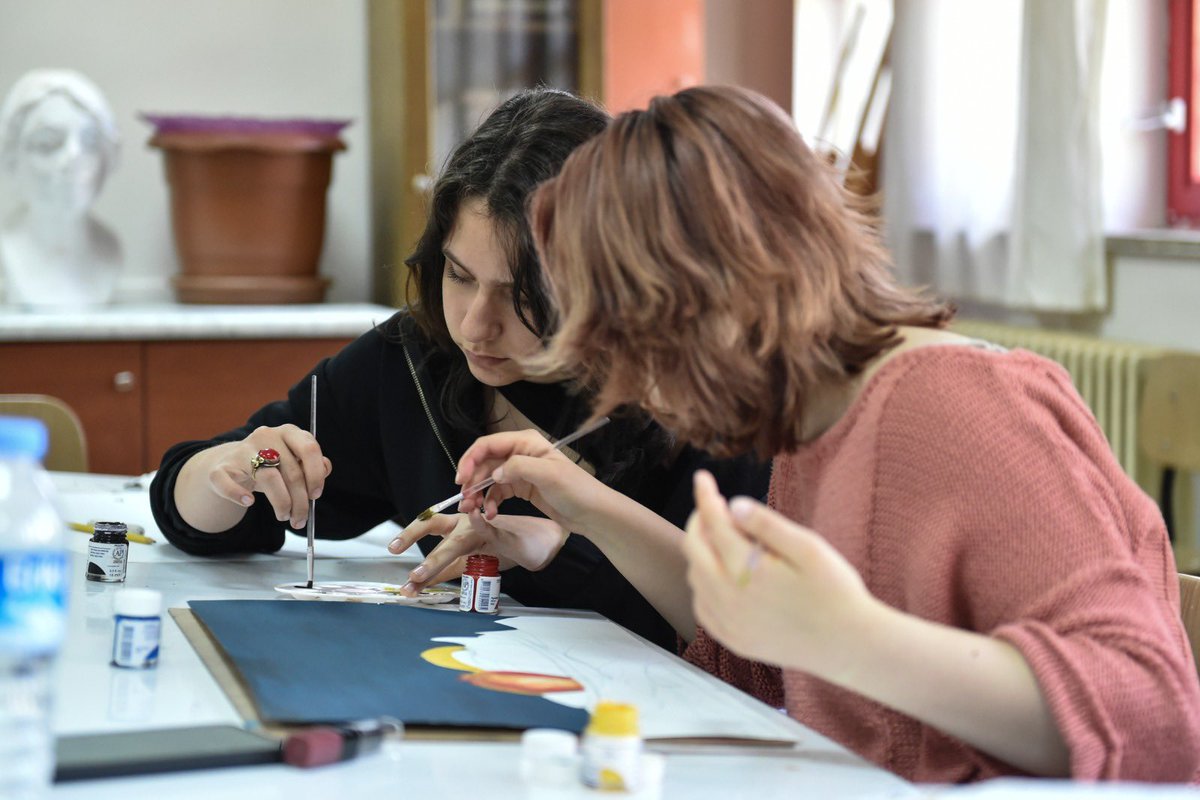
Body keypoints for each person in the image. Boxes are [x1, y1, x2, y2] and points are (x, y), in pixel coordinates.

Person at [449, 85, 1200, 782]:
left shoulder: (960, 408)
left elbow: (1155, 717)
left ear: (711, 299)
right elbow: (766, 666)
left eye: (626, 344)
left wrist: (851, 635)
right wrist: (585, 511)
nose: (623, 385)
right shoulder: (815, 424)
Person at [148, 87, 770, 652]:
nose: (475, 325)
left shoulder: (701, 399)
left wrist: (567, 545)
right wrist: (227, 472)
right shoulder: (415, 360)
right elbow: (199, 514)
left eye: (525, 295)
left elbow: (748, 645)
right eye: (459, 275)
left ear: (609, 281)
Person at [0, 69, 122, 308]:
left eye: (89, 142)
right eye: (47, 144)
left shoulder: (110, 251)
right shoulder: (8, 250)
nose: (73, 157)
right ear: (11, 160)